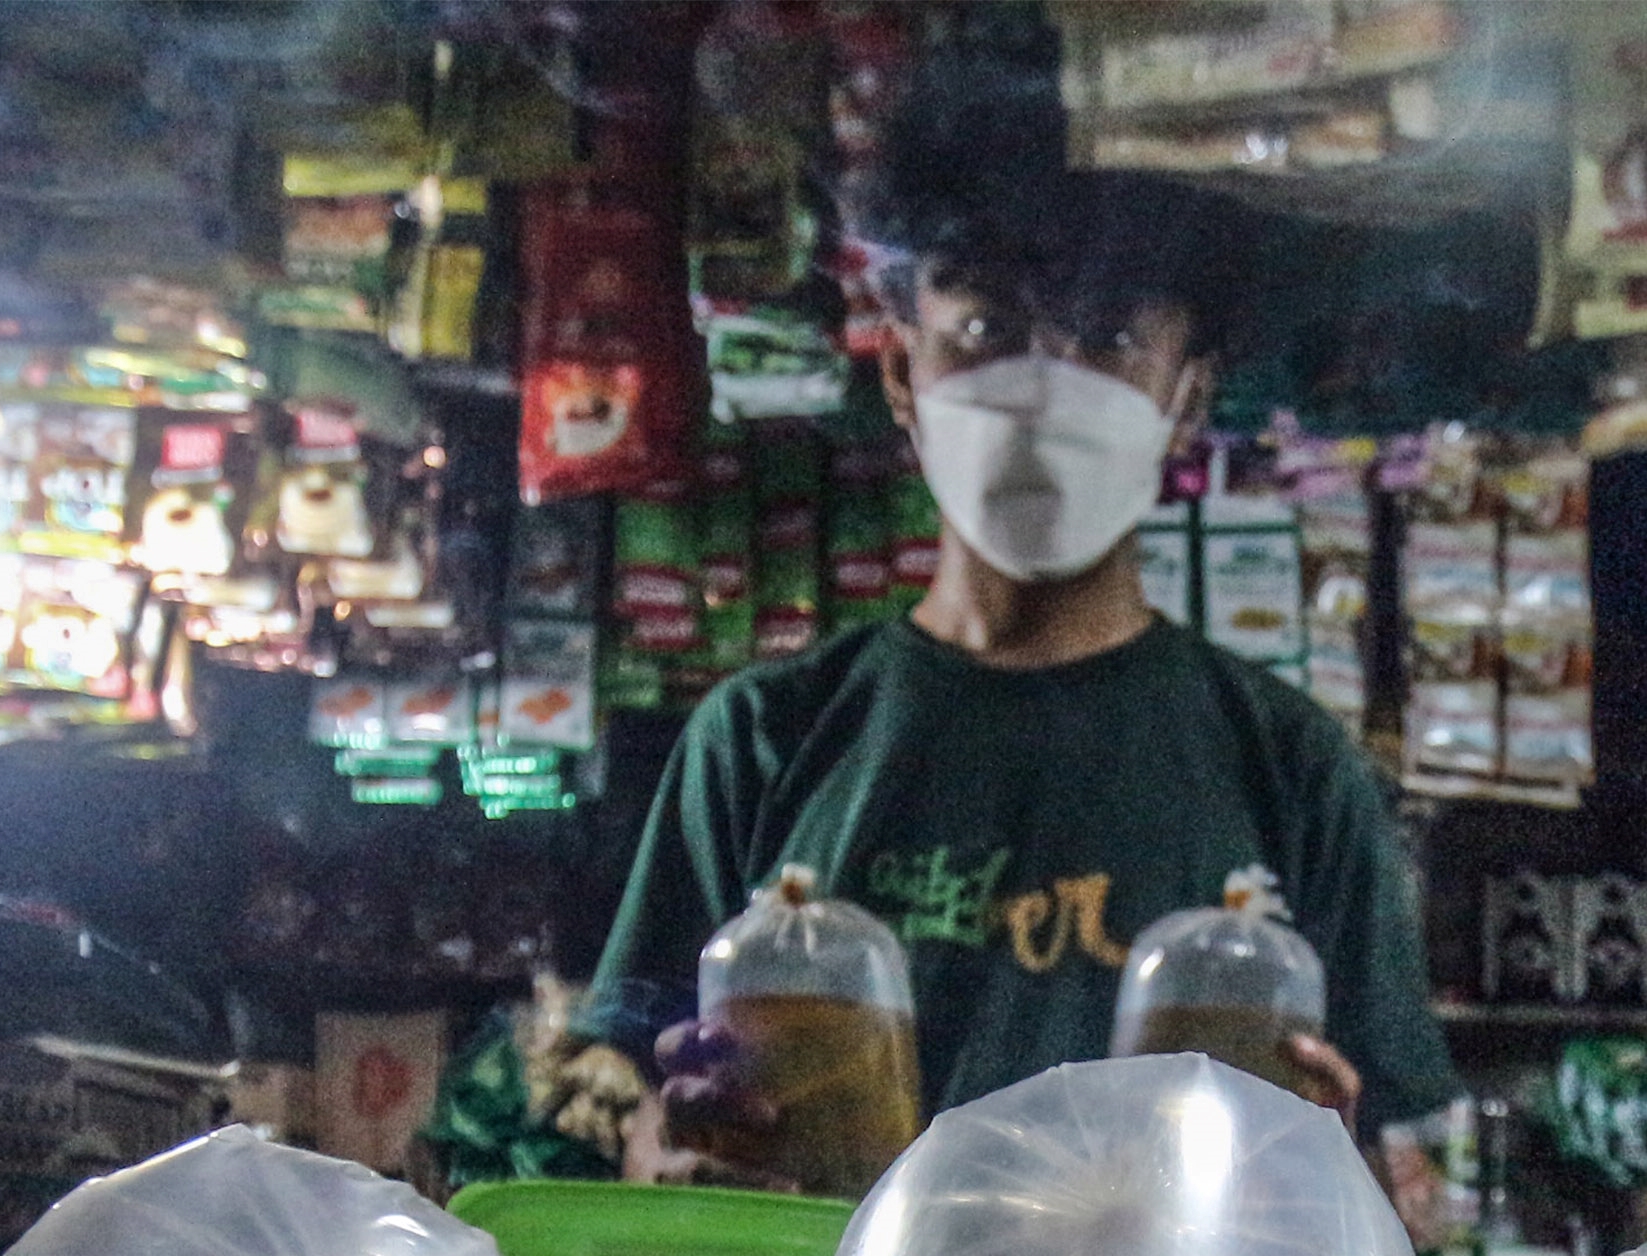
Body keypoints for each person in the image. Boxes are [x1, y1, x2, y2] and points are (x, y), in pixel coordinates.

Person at [571, 68, 1456, 1187]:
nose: (1045, 387)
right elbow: (639, 1110)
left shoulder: (1289, 770)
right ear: (901, 367)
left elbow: (1374, 1173)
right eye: (987, 326)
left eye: (1108, 338)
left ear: (1187, 397)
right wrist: (679, 1145)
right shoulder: (763, 741)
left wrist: (1324, 1166)